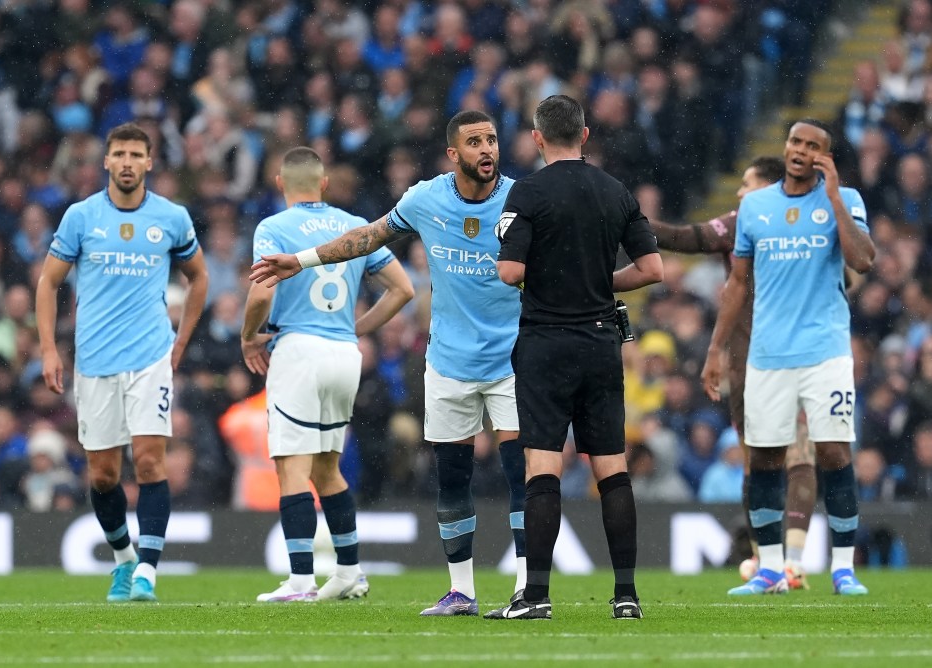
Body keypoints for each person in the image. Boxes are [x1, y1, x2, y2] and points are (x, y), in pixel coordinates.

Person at [250, 110, 528, 616]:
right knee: (450, 477)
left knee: (520, 472)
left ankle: (528, 589)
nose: (486, 149)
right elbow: (371, 238)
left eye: (491, 140)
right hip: (446, 361)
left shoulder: (522, 197)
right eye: (474, 142)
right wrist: (305, 260)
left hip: (512, 358)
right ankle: (461, 592)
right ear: (453, 153)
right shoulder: (425, 198)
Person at [489, 94, 663, 621]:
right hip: (600, 342)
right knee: (612, 469)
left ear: (538, 138)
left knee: (542, 468)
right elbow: (653, 268)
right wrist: (599, 281)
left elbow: (510, 273)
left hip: (546, 343)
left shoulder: (529, 191)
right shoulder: (614, 191)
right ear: (585, 135)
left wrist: (555, 275)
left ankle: (536, 596)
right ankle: (627, 595)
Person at [35, 122, 209, 602]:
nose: (128, 162)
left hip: (150, 357)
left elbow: (199, 278)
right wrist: (49, 348)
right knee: (103, 475)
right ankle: (123, 560)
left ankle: (148, 572)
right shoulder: (81, 217)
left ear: (150, 162)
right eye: (120, 154)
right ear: (106, 162)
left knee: (151, 462)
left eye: (137, 154)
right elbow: (48, 283)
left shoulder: (171, 217)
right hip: (93, 361)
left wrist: (180, 341)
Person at [701, 119, 875, 596]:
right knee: (764, 460)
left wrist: (835, 196)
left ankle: (843, 569)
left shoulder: (848, 200)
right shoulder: (756, 206)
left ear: (825, 156)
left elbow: (862, 260)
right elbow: (737, 283)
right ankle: (771, 570)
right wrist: (715, 349)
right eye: (796, 141)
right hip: (767, 356)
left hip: (826, 352)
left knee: (834, 453)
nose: (801, 149)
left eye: (812, 145)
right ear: (786, 147)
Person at [242, 146, 413, 603]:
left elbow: (261, 291)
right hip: (344, 354)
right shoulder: (351, 227)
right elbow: (403, 289)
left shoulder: (274, 227)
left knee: (292, 466)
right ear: (323, 183)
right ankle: (350, 572)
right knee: (327, 468)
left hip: (298, 350)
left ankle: (300, 582)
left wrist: (248, 336)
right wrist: (355, 329)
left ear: (280, 183)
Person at [650, 156, 817, 589]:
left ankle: (787, 562)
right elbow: (693, 239)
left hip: (789, 357)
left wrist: (633, 222)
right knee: (758, 463)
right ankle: (771, 562)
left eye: (747, 184)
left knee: (791, 458)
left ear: (767, 188)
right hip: (747, 365)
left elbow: (691, 238)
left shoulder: (784, 221)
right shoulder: (752, 221)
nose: (740, 192)